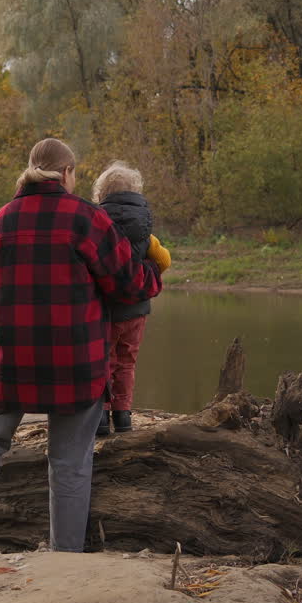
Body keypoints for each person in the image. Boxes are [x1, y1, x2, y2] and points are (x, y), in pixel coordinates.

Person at [0, 138, 165, 556]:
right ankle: (65, 553)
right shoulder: (86, 218)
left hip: (13, 358)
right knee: (70, 460)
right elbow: (128, 283)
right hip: (78, 361)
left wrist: (7, 334)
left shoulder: (1, 221)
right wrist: (153, 273)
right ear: (68, 173)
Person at [91, 162, 171, 435]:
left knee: (104, 359)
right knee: (127, 361)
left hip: (105, 310)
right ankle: (123, 415)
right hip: (136, 310)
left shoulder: (96, 225)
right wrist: (144, 267)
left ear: (100, 195)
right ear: (136, 193)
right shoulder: (145, 233)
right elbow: (165, 261)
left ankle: (101, 416)